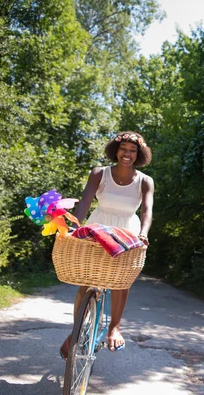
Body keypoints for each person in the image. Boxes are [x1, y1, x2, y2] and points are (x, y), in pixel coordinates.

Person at [60, 131, 155, 358]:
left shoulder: (144, 181)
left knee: (122, 281)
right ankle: (77, 330)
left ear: (139, 154)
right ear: (116, 150)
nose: (127, 154)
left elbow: (147, 210)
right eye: (124, 149)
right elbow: (85, 201)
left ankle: (114, 327)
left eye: (133, 151)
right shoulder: (99, 173)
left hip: (127, 230)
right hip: (98, 226)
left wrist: (143, 233)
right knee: (86, 278)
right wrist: (75, 226)